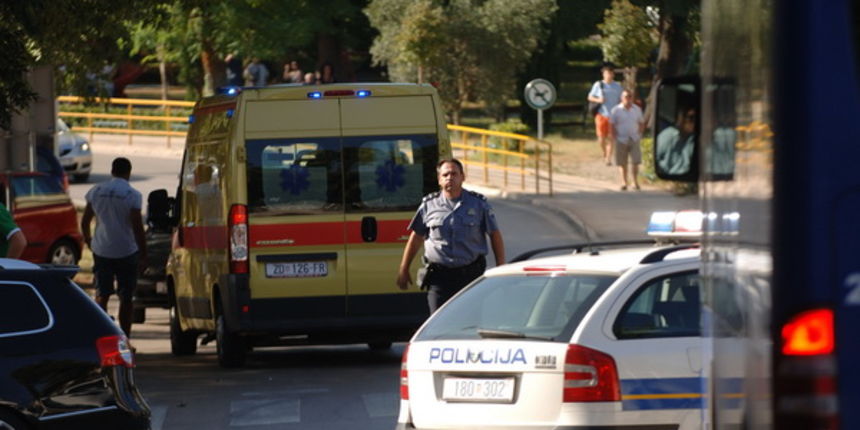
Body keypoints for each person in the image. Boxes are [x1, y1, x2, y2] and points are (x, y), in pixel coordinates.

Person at [396, 158, 505, 313]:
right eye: (445, 174)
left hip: (470, 276)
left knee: (469, 324)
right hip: (439, 278)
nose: (450, 178)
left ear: (463, 177)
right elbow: (416, 238)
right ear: (439, 180)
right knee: (438, 326)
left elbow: (494, 234)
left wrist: (501, 268)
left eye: (454, 173)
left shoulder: (478, 204)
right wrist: (404, 268)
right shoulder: (429, 205)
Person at [81, 157, 147, 338]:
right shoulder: (133, 195)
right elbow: (137, 227)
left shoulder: (96, 191)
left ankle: (100, 335)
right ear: (129, 173)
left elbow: (85, 220)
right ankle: (124, 337)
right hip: (126, 250)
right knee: (126, 297)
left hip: (102, 250)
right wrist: (143, 254)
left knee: (102, 294)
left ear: (112, 171)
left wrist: (88, 239)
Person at [609, 90, 645, 190]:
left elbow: (641, 122)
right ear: (621, 98)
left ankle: (635, 182)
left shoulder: (637, 109)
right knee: (622, 162)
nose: (627, 99)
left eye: (629, 96)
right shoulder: (616, 110)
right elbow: (611, 124)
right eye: (625, 97)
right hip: (621, 139)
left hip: (634, 138)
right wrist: (614, 136)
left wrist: (639, 134)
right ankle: (624, 182)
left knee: (635, 161)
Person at [587, 65, 623, 165]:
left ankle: (608, 158)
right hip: (601, 114)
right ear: (603, 74)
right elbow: (589, 97)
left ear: (613, 74)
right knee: (601, 137)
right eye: (606, 73)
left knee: (611, 137)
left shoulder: (618, 86)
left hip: (613, 116)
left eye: (610, 73)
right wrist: (598, 100)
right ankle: (604, 152)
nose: (608, 75)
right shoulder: (598, 85)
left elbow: (621, 100)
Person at [656, 107, 697, 175]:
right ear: (680, 120)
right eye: (689, 118)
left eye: (694, 119)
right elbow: (655, 159)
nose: (692, 122)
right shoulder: (668, 136)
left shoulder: (695, 139)